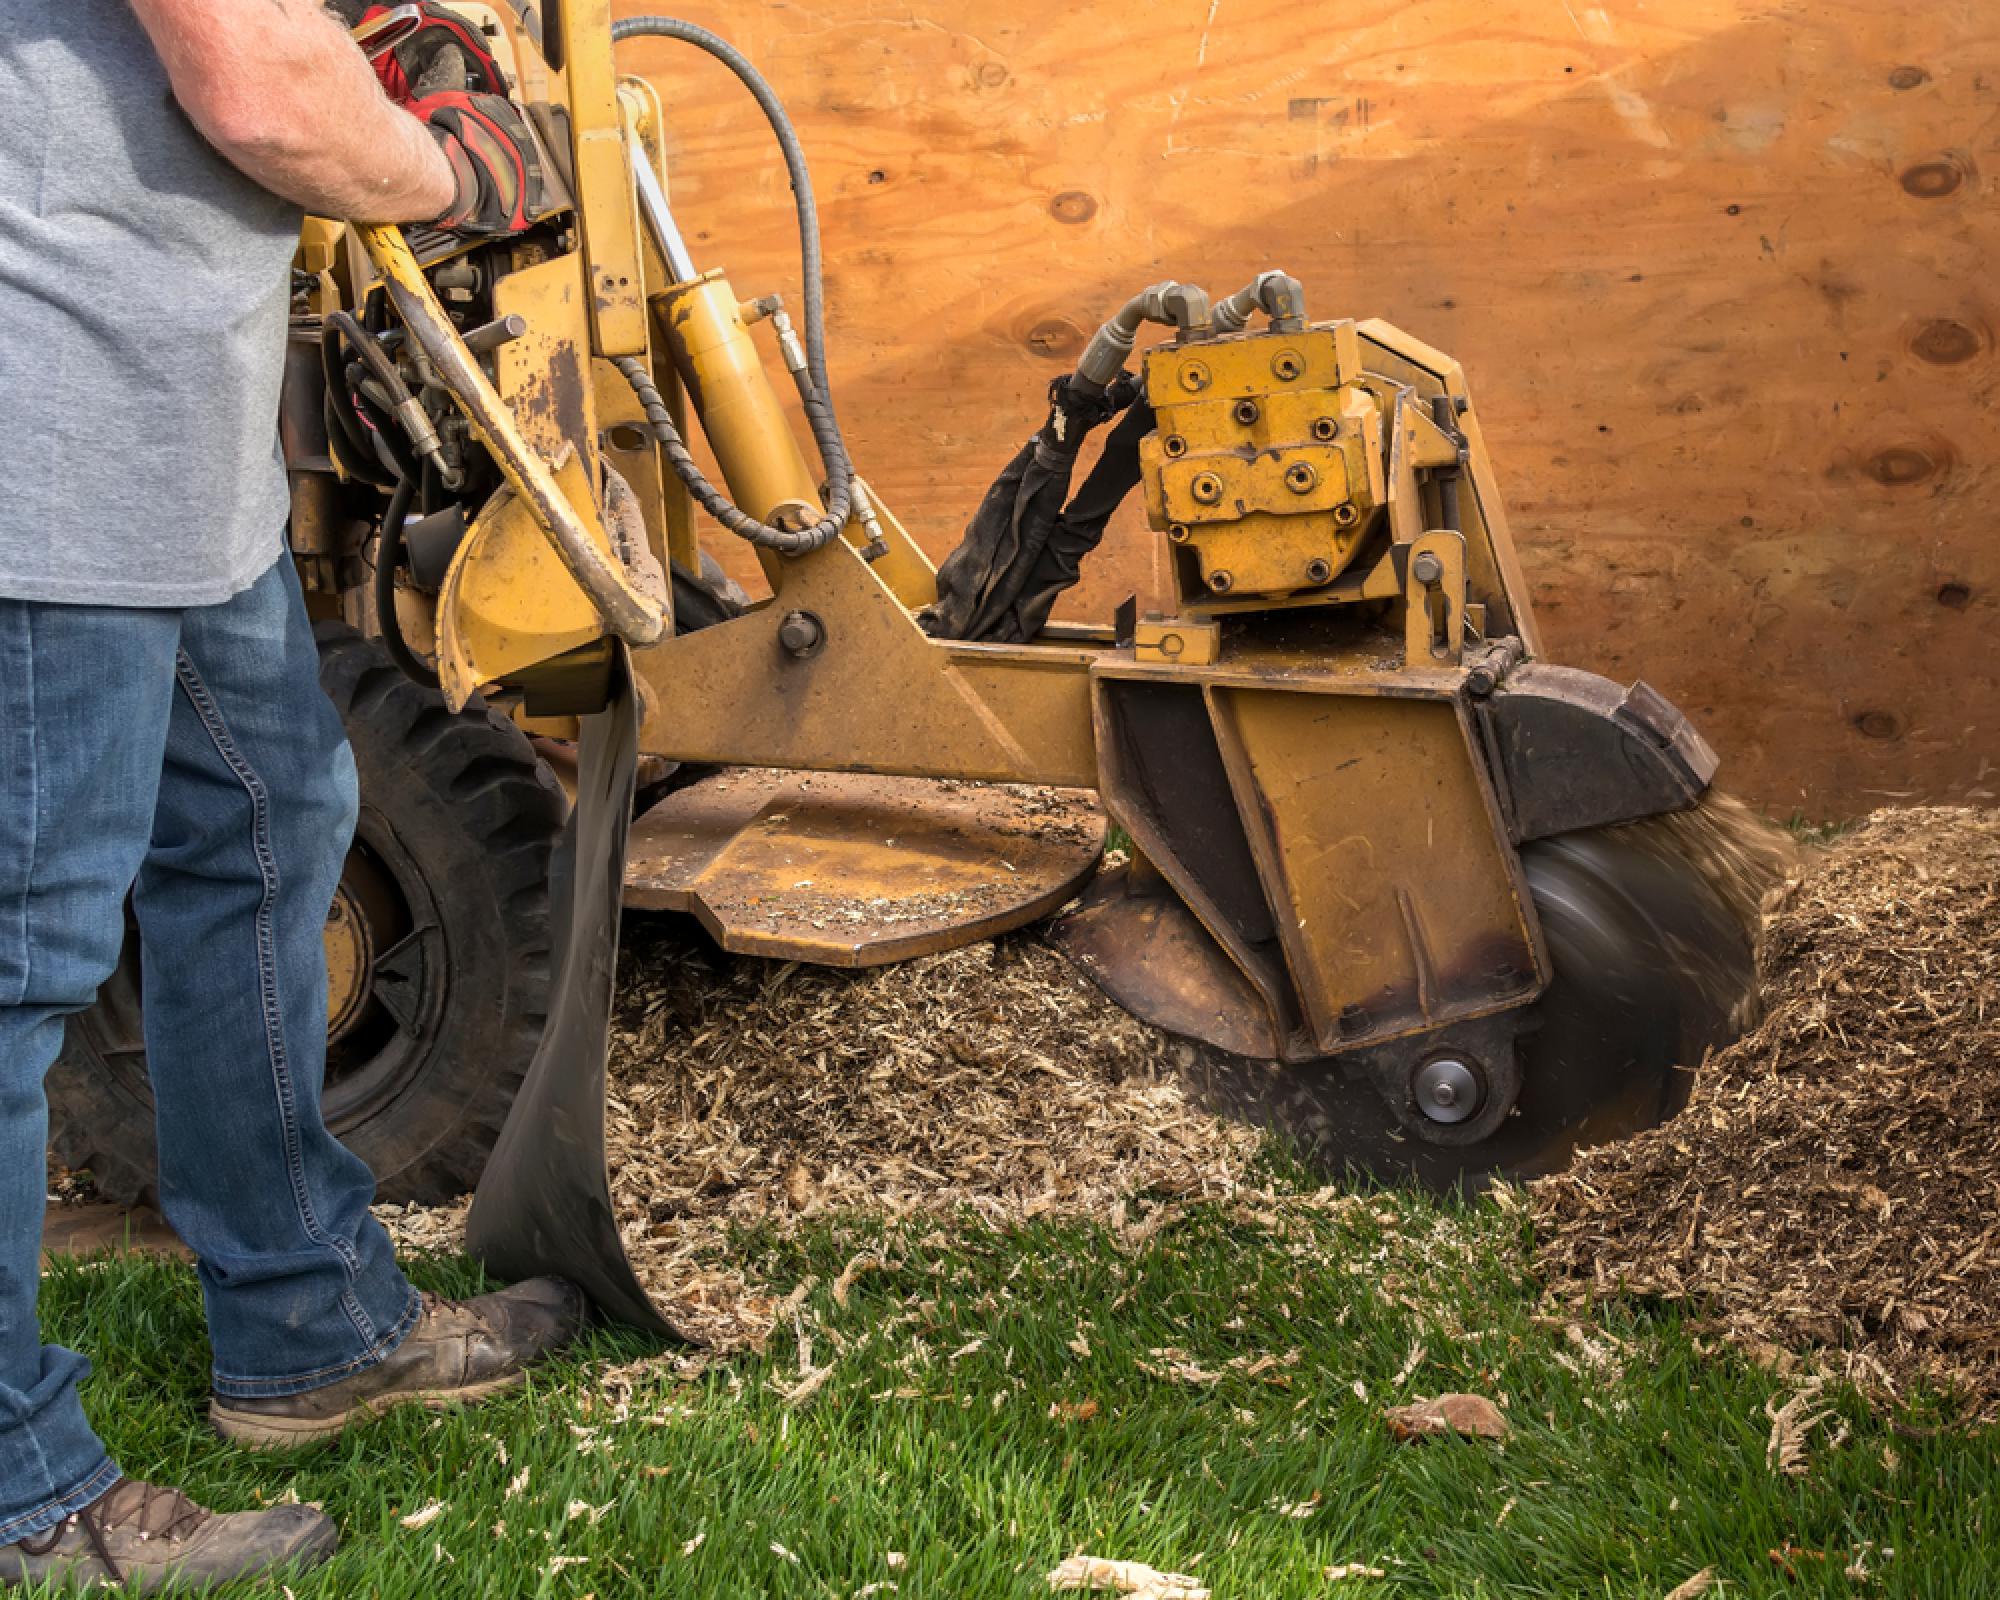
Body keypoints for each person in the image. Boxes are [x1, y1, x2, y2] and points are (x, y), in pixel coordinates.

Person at [0, 1, 580, 1588]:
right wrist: (454, 167)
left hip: (167, 445)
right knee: (19, 955)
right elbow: (257, 86)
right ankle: (21, 1490)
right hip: (47, 437)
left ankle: (307, 1329)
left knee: (266, 830)